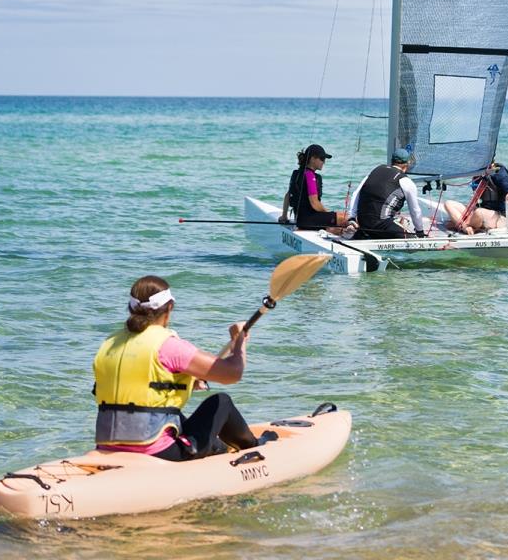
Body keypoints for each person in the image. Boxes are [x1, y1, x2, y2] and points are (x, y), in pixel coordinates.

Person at [93, 274, 276, 461]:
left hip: (107, 445)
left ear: (131, 308)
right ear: (169, 308)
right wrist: (239, 342)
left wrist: (184, 381)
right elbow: (233, 373)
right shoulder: (169, 346)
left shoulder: (110, 343)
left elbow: (136, 386)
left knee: (178, 416)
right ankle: (253, 447)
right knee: (221, 402)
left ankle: (217, 448)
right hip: (159, 452)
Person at [348, 149, 426, 240]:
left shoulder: (376, 170)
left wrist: (352, 218)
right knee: (413, 240)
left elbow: (355, 194)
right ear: (407, 164)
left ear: (391, 161)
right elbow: (415, 210)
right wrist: (420, 232)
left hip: (363, 223)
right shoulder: (406, 181)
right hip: (382, 225)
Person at [278, 143, 349, 234]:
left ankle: (330, 229)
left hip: (299, 218)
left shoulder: (297, 173)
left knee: (337, 216)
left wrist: (284, 217)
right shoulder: (310, 175)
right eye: (322, 159)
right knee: (345, 217)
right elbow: (314, 203)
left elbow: (288, 195)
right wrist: (328, 213)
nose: (324, 162)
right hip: (308, 220)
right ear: (312, 159)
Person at [442, 161, 508, 234]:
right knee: (448, 204)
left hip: (497, 215)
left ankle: (459, 224)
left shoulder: (499, 172)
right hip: (479, 211)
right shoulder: (478, 174)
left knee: (479, 212)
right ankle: (464, 227)